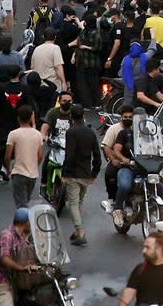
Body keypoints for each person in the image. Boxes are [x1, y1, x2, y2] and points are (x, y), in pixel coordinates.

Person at [62, 104, 101, 247]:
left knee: (73, 203)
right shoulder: (90, 133)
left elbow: (69, 155)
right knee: (79, 202)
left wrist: (65, 172)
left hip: (73, 174)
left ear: (71, 116)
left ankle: (80, 232)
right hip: (86, 173)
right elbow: (97, 155)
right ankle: (77, 230)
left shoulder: (71, 132)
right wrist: (95, 172)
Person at [0, 208, 40, 306]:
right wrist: (22, 268)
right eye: (30, 222)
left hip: (18, 281)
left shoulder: (23, 236)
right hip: (1, 282)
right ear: (27, 223)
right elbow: (4, 258)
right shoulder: (7, 235)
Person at [116, 232, 163, 306]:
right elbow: (129, 292)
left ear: (158, 249)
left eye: (147, 247)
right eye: (144, 247)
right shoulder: (139, 270)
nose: (143, 251)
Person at [4, 106, 44, 209]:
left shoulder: (13, 134)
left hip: (18, 173)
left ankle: (23, 223)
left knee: (21, 204)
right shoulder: (38, 135)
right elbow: (40, 155)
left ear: (18, 118)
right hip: (33, 174)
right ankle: (26, 222)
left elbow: (8, 156)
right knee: (26, 200)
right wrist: (34, 165)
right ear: (31, 117)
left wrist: (9, 169)